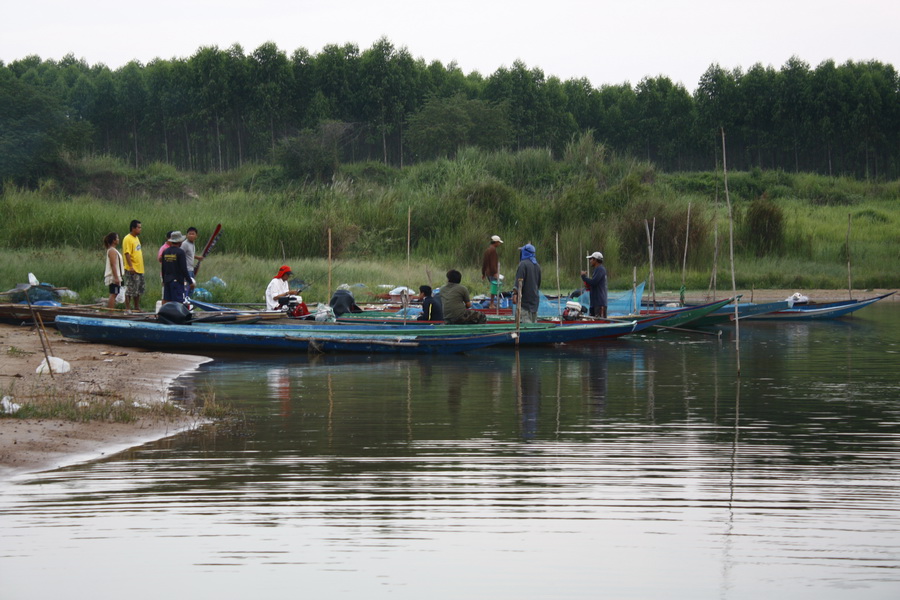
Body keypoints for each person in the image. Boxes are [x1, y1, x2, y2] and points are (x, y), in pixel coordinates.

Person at [160, 231, 192, 304]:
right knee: (178, 302)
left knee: (167, 301)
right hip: (177, 281)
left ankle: (166, 314)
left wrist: (164, 280)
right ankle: (177, 315)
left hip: (167, 280)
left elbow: (163, 268)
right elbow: (184, 269)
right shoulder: (180, 252)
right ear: (180, 242)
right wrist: (190, 281)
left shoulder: (165, 252)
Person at [514, 243, 542, 323]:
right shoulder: (537, 266)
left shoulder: (523, 264)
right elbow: (538, 284)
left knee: (524, 327)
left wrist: (515, 294)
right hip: (535, 302)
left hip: (525, 303)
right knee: (533, 326)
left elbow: (519, 282)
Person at [122, 219, 145, 311]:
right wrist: (131, 266)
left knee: (138, 290)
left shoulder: (136, 238)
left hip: (139, 269)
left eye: (140, 227)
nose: (140, 229)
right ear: (133, 228)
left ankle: (136, 307)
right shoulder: (128, 238)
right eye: (138, 227)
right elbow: (127, 253)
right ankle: (128, 308)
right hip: (132, 269)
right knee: (130, 290)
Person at [581, 251, 608, 318]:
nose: (590, 261)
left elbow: (594, 282)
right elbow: (594, 284)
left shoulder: (600, 269)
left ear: (595, 260)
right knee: (592, 321)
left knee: (599, 322)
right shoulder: (597, 270)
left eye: (591, 259)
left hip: (599, 303)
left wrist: (584, 277)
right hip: (594, 302)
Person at [103, 232, 124, 309]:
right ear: (114, 240)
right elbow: (113, 265)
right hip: (113, 276)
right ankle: (110, 312)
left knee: (115, 293)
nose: (118, 240)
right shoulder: (112, 251)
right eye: (117, 238)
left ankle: (111, 310)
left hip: (117, 275)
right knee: (113, 294)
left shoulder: (114, 250)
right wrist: (116, 277)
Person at [481, 234, 503, 308]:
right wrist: (495, 273)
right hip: (492, 272)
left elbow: (484, 262)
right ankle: (491, 304)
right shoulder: (493, 250)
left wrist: (483, 273)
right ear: (495, 242)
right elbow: (493, 263)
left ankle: (492, 303)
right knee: (494, 288)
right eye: (498, 242)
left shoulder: (487, 250)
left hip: (487, 272)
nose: (499, 244)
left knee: (493, 287)